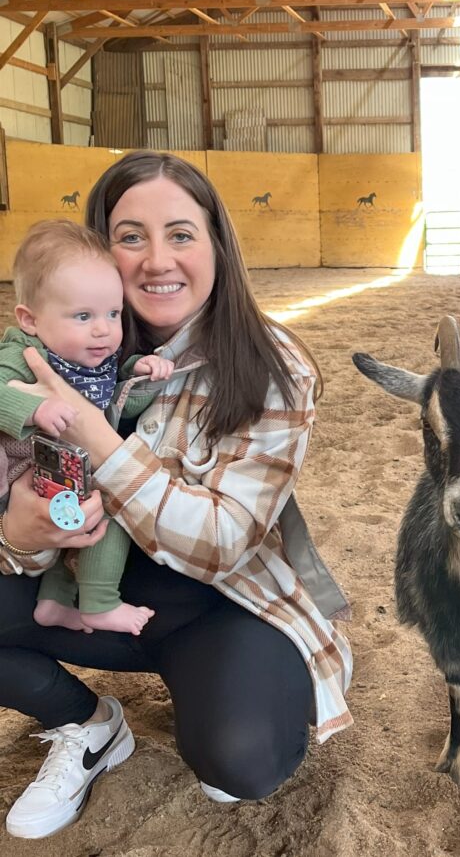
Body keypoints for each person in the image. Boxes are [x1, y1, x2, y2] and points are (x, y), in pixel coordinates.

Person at [0, 151, 353, 840]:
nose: (157, 259)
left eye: (181, 234)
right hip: (91, 589)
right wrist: (18, 534)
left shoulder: (269, 365)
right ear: (102, 250)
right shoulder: (60, 338)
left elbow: (224, 542)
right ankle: (88, 723)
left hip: (219, 601)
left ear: (217, 245)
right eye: (131, 236)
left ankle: (253, 683)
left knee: (240, 765)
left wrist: (93, 432)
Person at [1, 220, 175, 636]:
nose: (103, 329)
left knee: (95, 514)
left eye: (113, 314)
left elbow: (111, 401)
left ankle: (56, 602)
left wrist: (143, 376)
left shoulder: (92, 355)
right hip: (16, 470)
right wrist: (33, 409)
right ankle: (99, 604)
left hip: (61, 469)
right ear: (30, 319)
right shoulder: (22, 352)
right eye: (83, 315)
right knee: (103, 513)